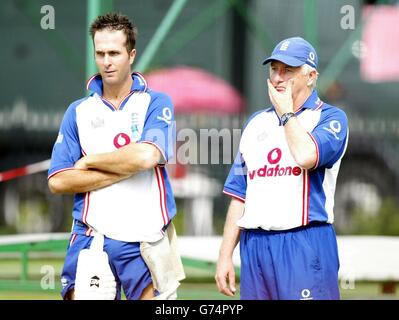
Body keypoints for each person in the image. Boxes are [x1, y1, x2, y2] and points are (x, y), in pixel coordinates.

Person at [48, 12, 184, 300]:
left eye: (114, 53)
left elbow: (147, 156)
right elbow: (58, 180)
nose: (106, 61)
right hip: (91, 235)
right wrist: (123, 166)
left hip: (144, 236)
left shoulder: (156, 102)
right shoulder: (78, 111)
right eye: (100, 53)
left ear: (131, 54)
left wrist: (89, 161)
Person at [215, 37, 349, 300]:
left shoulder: (331, 118)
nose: (278, 78)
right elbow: (240, 194)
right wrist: (225, 255)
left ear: (310, 77)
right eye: (274, 69)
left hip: (304, 242)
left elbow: (305, 155)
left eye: (288, 70)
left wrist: (287, 113)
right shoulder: (256, 122)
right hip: (255, 247)